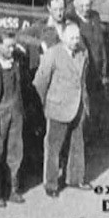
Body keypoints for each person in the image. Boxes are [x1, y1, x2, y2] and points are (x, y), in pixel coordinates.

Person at [32, 22, 90, 197]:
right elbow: (40, 81)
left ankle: (75, 178)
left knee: (77, 145)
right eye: (72, 38)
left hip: (78, 105)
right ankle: (51, 184)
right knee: (53, 148)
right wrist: (45, 103)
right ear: (63, 38)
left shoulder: (83, 53)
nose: (75, 41)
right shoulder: (53, 54)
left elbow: (83, 80)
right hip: (58, 107)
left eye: (77, 37)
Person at [70, 0, 108, 182]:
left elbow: (101, 45)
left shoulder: (95, 17)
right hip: (84, 73)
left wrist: (104, 70)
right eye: (82, 6)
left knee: (96, 109)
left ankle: (93, 146)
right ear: (75, 6)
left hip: (97, 72)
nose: (86, 9)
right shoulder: (72, 21)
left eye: (88, 5)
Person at [0, 30, 29, 206]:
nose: (11, 49)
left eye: (13, 45)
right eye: (8, 45)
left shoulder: (18, 60)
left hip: (16, 110)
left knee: (15, 150)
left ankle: (12, 189)